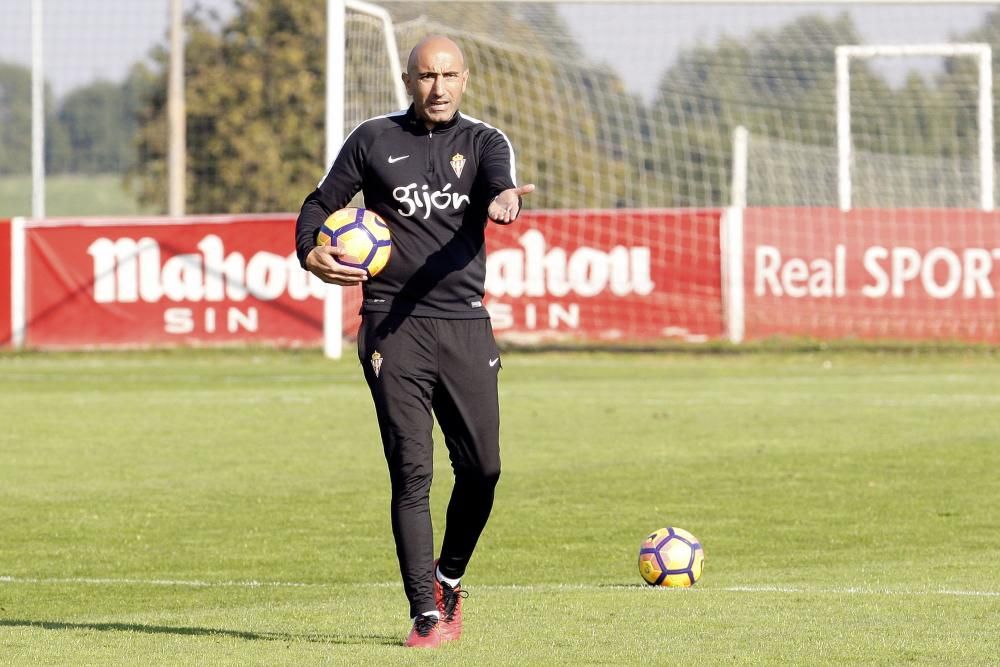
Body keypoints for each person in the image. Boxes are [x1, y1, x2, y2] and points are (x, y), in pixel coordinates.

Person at [295, 35, 535, 648]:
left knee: (483, 468)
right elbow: (321, 203)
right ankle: (425, 613)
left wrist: (505, 200)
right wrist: (311, 251)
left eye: (449, 75)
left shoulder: (484, 143)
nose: (439, 87)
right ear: (408, 80)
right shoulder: (373, 139)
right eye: (427, 76)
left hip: (463, 323)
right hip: (390, 324)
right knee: (412, 471)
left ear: (466, 79)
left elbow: (500, 184)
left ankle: (449, 576)